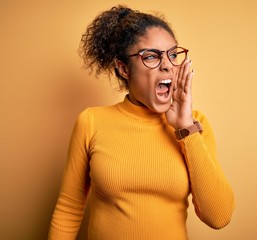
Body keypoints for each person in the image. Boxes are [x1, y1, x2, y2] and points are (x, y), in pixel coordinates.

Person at [48, 5, 235, 240]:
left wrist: (185, 128)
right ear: (123, 68)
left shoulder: (196, 125)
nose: (167, 64)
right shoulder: (91, 122)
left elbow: (218, 217)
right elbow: (69, 207)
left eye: (173, 55)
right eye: (151, 56)